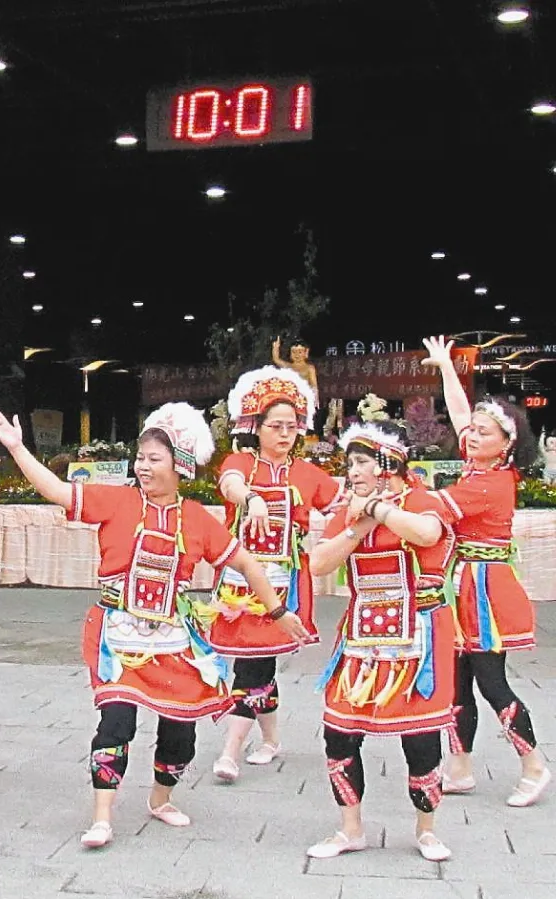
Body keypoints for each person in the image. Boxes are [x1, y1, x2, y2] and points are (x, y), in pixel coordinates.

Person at [0, 402, 308, 849]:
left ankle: (161, 798)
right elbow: (59, 491)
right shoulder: (117, 501)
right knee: (116, 721)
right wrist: (19, 449)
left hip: (172, 637)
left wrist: (277, 611)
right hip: (118, 634)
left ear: (181, 466)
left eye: (154, 459)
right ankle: (101, 817)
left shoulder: (196, 518)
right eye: (141, 458)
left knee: (181, 730)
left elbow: (248, 564)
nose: (143, 466)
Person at [307, 423, 457, 861]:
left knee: (420, 735)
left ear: (388, 465)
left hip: (418, 633)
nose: (351, 471)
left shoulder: (421, 500)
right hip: (362, 634)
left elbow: (427, 534)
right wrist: (357, 526)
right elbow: (318, 562)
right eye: (349, 463)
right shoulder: (348, 511)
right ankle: (350, 828)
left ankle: (427, 829)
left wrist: (376, 508)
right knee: (339, 730)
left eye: (360, 462)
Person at [421, 336, 550, 807]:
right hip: (463, 587)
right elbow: (460, 415)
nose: (471, 435)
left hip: (485, 592)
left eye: (483, 432)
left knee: (492, 683)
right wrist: (447, 370)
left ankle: (534, 764)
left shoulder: (491, 484)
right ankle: (460, 768)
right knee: (457, 682)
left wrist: (387, 495)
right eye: (471, 430)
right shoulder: (481, 471)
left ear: (507, 446)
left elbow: (430, 509)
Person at [210, 366, 340, 781]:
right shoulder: (240, 463)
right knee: (254, 661)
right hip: (239, 585)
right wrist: (252, 498)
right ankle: (270, 739)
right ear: (257, 427)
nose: (285, 434)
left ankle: (230, 751)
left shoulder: (307, 474)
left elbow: (343, 507)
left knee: (254, 666)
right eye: (276, 426)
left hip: (285, 584)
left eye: (292, 427)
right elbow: (230, 484)